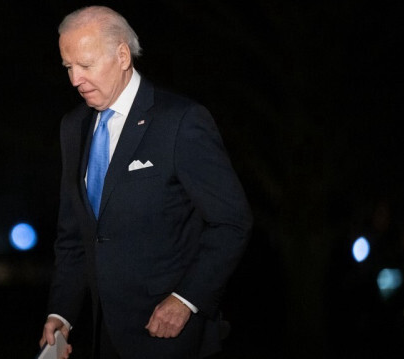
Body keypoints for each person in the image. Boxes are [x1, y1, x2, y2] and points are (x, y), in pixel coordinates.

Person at [39, 5, 253, 359]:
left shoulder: (181, 122)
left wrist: (187, 299)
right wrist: (62, 311)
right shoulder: (73, 127)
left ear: (122, 55)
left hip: (172, 338)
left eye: (86, 66)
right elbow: (75, 233)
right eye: (68, 67)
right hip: (103, 337)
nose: (75, 79)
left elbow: (232, 222)